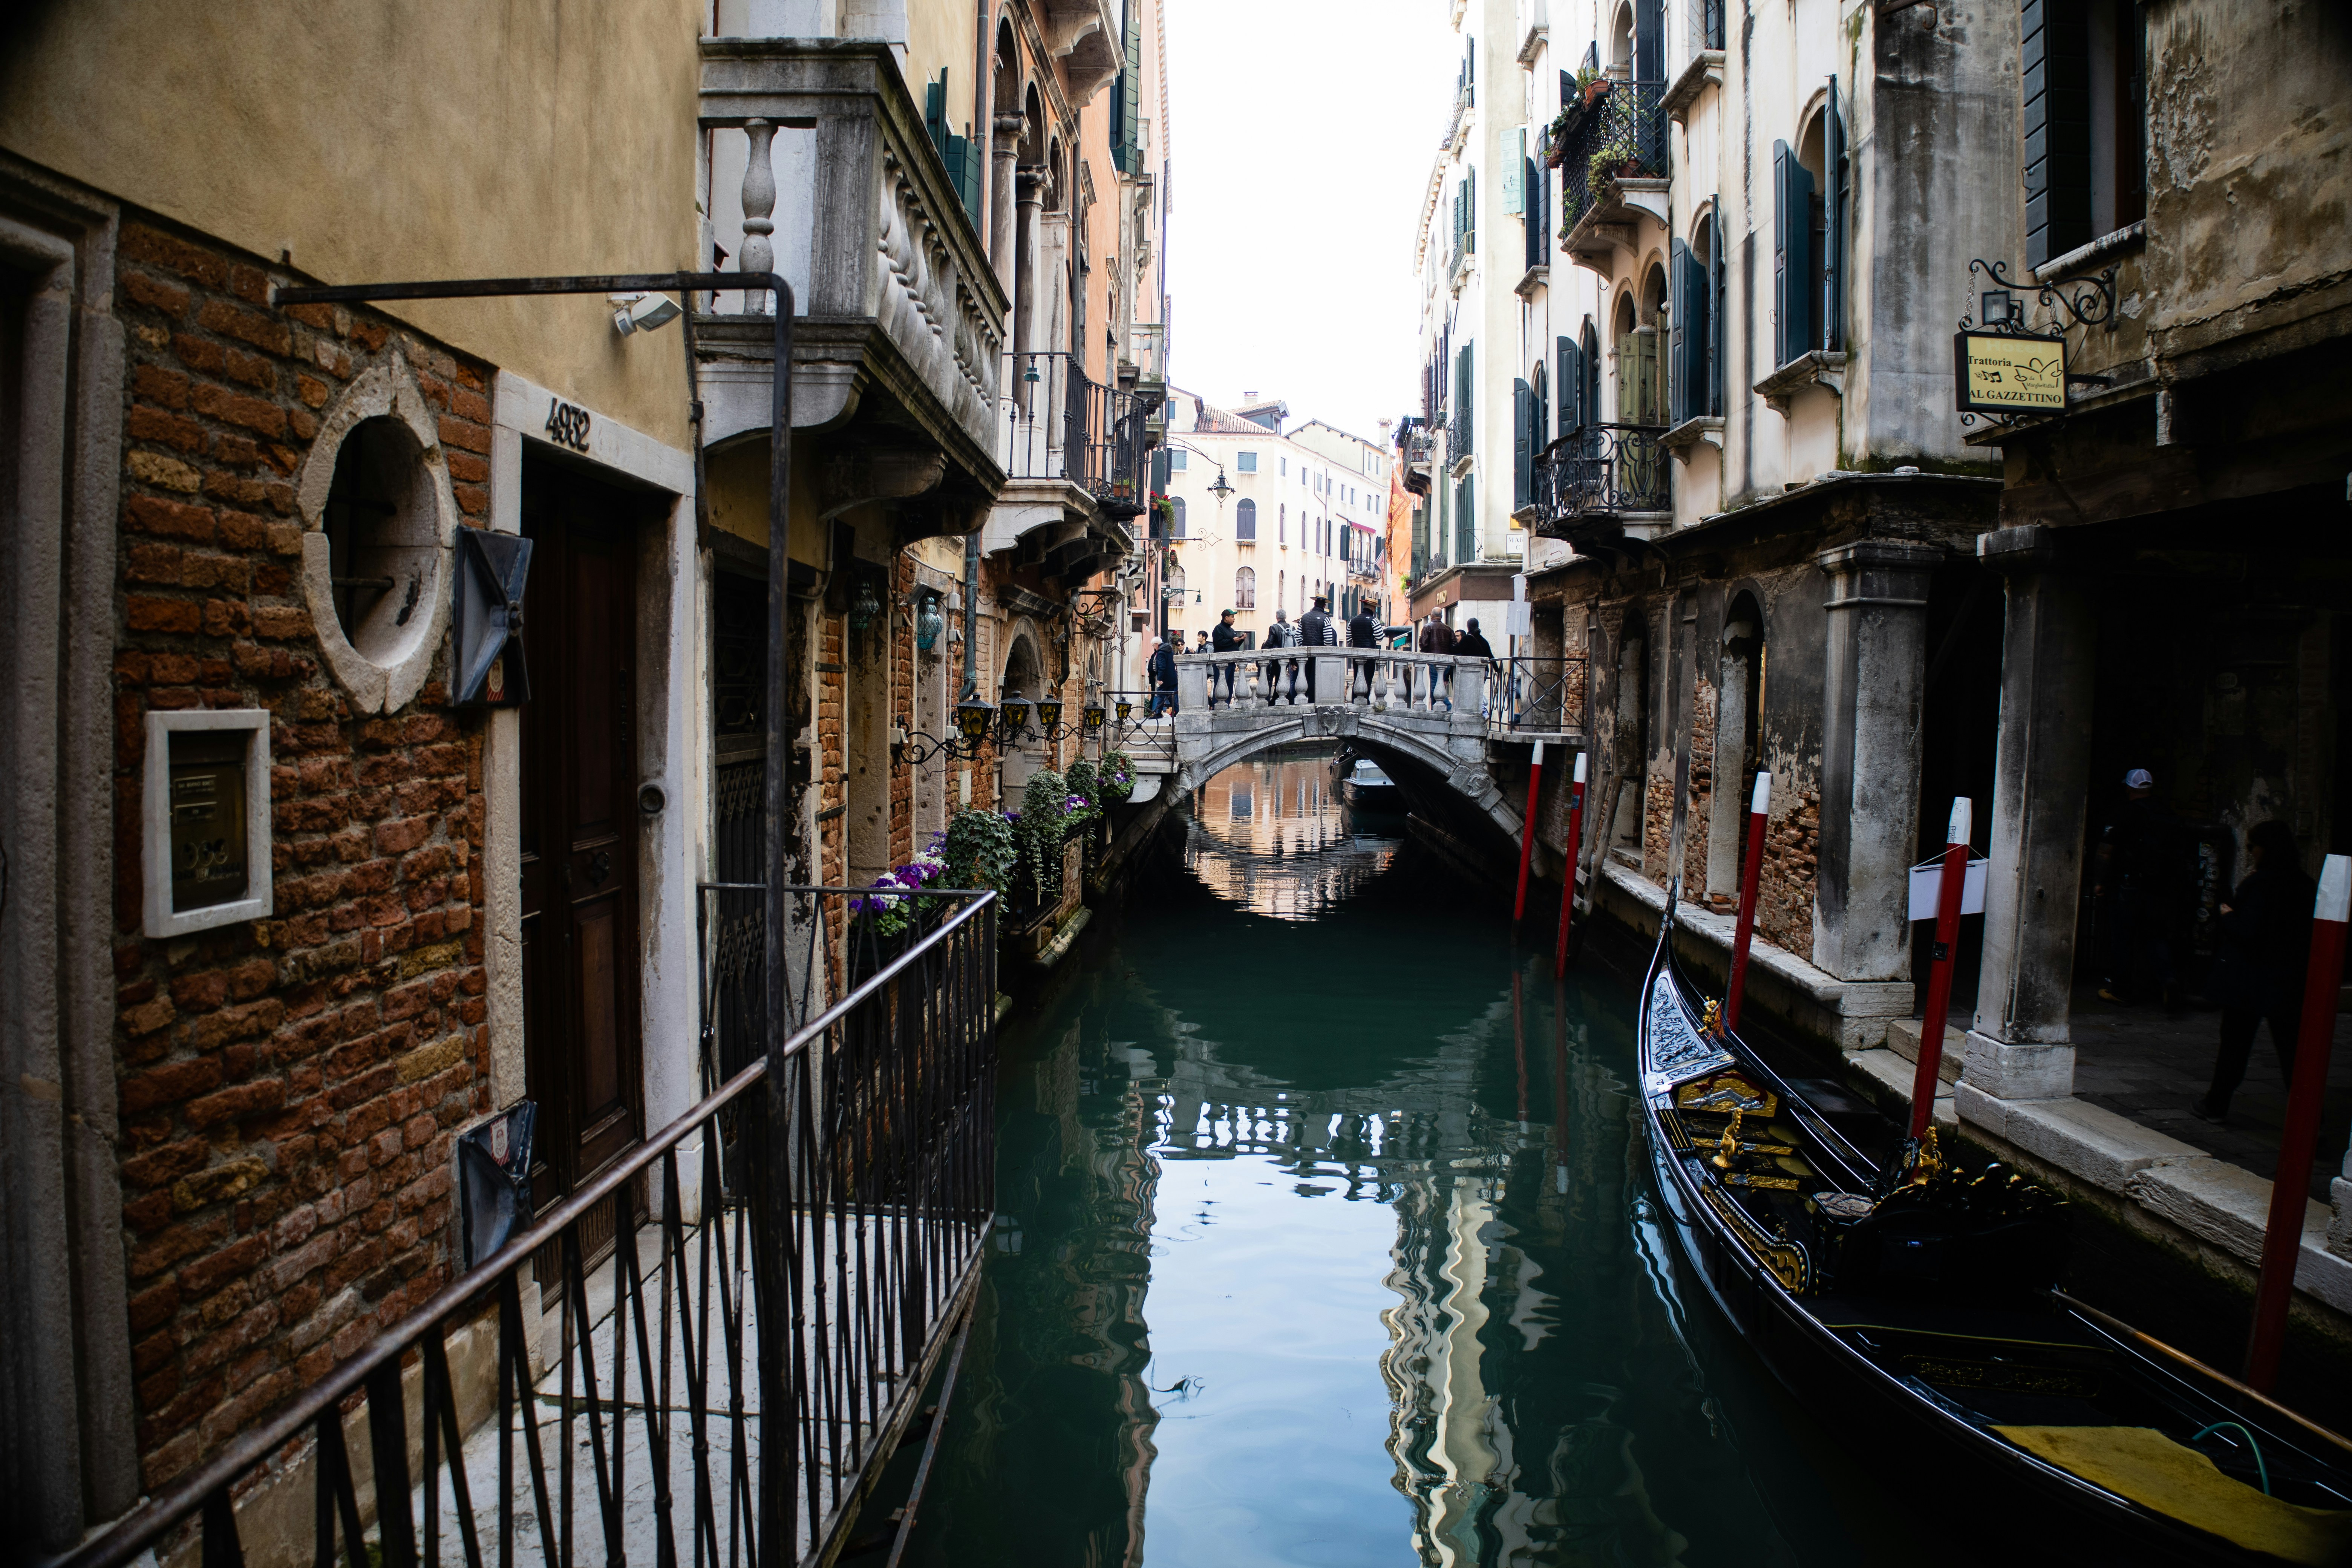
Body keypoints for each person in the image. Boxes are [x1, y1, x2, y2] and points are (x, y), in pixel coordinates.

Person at [2193, 820, 2316, 1123]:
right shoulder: (2304, 884)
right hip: (2287, 979)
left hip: (2250, 980)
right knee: (2292, 1052)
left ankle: (2216, 1105)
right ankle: (2313, 1117)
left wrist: (2228, 915)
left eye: (2253, 847)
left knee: (2235, 1046)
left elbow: (2249, 931)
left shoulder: (2262, 884)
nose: (2251, 852)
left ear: (2265, 849)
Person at [2092, 767, 2190, 1010]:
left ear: (2129, 788)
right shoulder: (2167, 814)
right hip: (2159, 888)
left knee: (2122, 939)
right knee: (2156, 936)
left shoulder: (2123, 813)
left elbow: (2106, 852)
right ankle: (2168, 979)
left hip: (2128, 887)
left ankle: (2122, 991)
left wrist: (2100, 882)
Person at [1297, 594, 1338, 700]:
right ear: (1324, 606)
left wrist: (1305, 646)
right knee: (1316, 679)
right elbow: (1329, 640)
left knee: (1306, 676)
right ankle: (1313, 700)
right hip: (1319, 656)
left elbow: (1298, 637)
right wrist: (1322, 650)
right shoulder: (1325, 619)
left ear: (1315, 604)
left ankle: (1304, 700)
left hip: (1306, 655)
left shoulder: (1304, 617)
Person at [1210, 608, 1244, 704]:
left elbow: (1233, 645)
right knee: (1220, 685)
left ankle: (1227, 704)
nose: (1234, 619)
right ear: (1226, 618)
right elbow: (1218, 643)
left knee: (1229, 685)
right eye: (1232, 617)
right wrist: (1233, 641)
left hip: (1231, 662)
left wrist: (1241, 640)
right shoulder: (1219, 629)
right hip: (1222, 663)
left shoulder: (1231, 630)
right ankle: (1216, 705)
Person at [1147, 635, 1178, 718]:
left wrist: (1160, 679)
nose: (1154, 647)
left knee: (1160, 695)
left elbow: (1161, 667)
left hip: (1164, 679)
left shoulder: (1161, 653)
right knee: (1170, 696)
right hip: (1172, 678)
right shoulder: (1170, 650)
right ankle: (1178, 711)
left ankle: (1158, 714)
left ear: (1157, 644)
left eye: (1153, 645)